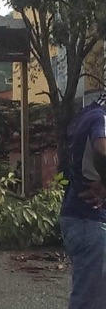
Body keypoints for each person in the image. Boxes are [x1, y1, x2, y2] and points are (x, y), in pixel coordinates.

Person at [60, 92, 106, 308]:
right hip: (91, 220)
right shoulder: (101, 117)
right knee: (91, 301)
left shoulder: (88, 113)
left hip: (79, 218)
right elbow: (102, 148)